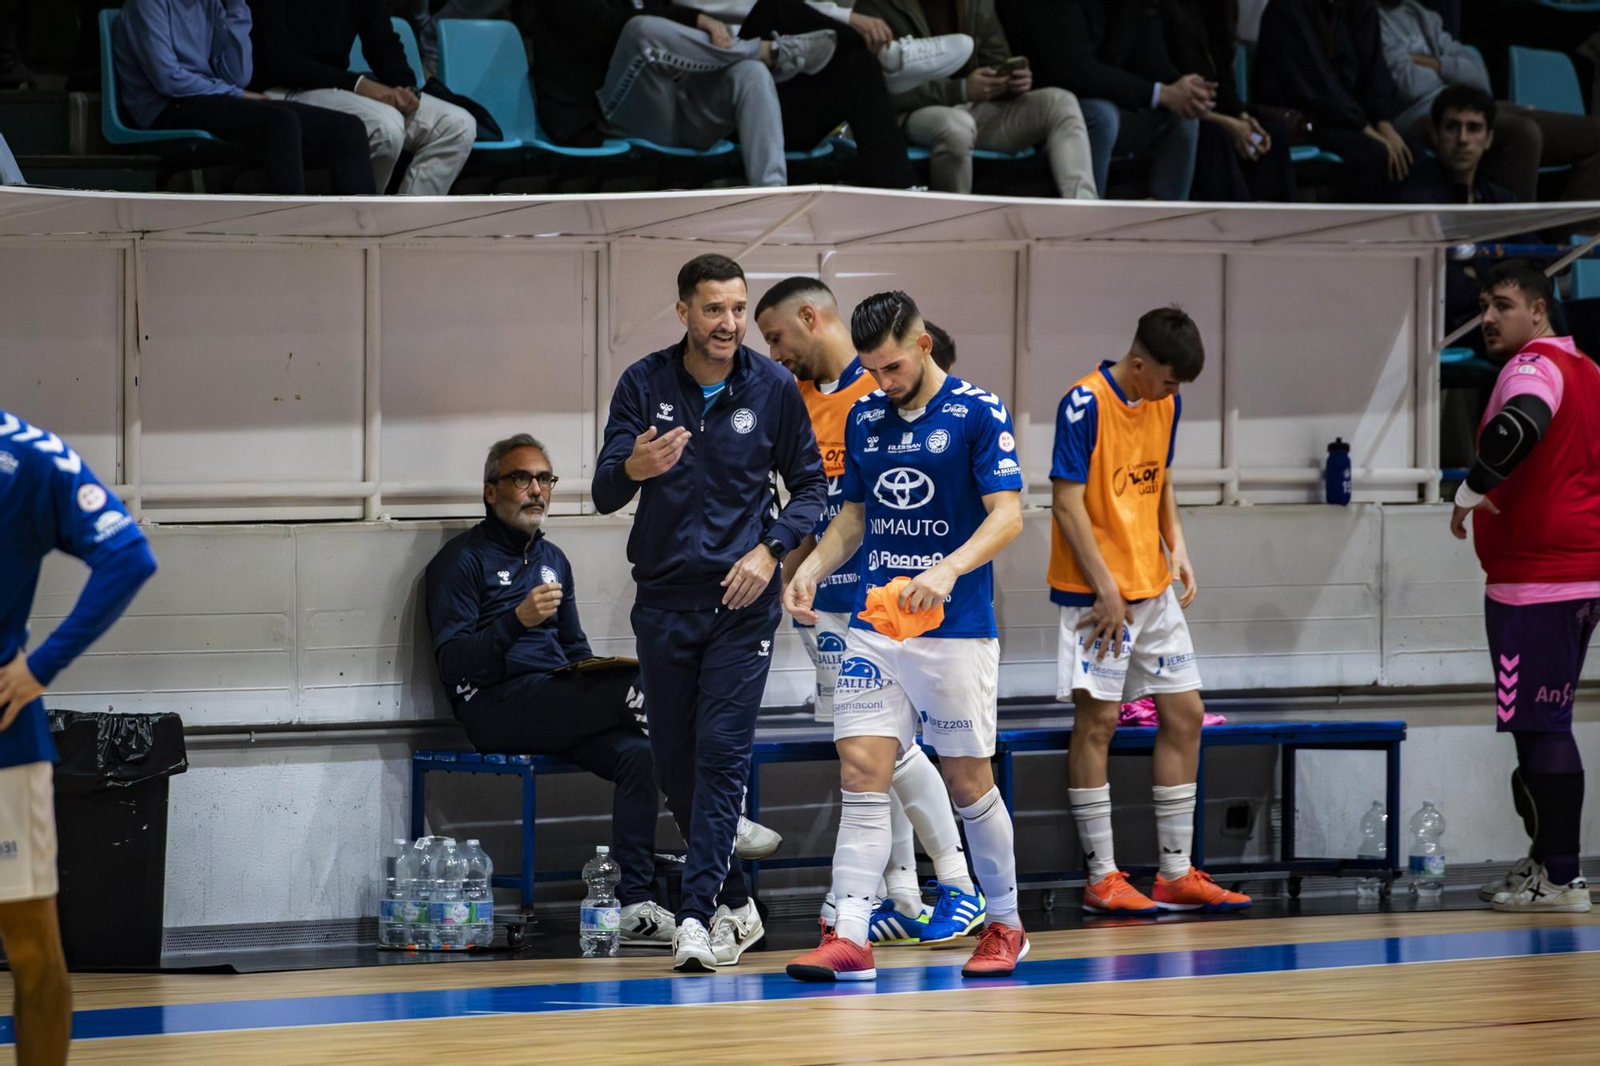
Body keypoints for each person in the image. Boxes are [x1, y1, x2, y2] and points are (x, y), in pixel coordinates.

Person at [425, 433, 778, 947]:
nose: (536, 490)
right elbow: (454, 662)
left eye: (544, 479)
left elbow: (574, 649)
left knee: (643, 755)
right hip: (495, 705)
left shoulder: (553, 559)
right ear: (490, 491)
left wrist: (597, 676)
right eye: (521, 479)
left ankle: (632, 904)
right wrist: (516, 621)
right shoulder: (461, 561)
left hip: (555, 702)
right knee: (647, 687)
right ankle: (725, 815)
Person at [784, 290, 1030, 982]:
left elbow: (1008, 515)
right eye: (871, 370)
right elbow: (853, 517)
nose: (881, 382)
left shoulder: (977, 411)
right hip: (875, 626)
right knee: (862, 771)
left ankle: (1005, 923)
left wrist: (948, 569)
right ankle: (851, 936)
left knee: (967, 781)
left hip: (955, 630)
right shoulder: (866, 414)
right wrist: (810, 569)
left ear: (923, 345)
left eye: (891, 368)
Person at [594, 254, 827, 972]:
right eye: (714, 309)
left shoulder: (773, 387)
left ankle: (695, 918)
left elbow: (813, 489)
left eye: (738, 308)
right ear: (684, 313)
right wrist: (633, 468)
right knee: (675, 765)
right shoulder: (643, 382)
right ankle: (736, 901)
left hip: (740, 605)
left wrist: (771, 551)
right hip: (664, 603)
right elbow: (603, 491)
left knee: (722, 756)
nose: (729, 323)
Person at [755, 279, 979, 947]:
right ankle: (900, 893)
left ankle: (953, 881)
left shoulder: (887, 390)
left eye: (775, 336)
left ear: (810, 316)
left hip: (886, 603)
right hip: (825, 601)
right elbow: (810, 505)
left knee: (892, 749)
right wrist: (796, 573)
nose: (773, 352)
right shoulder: (795, 399)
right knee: (871, 752)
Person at [1049, 308, 1251, 917]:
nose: (1172, 391)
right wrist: (1105, 586)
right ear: (1139, 364)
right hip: (1095, 595)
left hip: (1151, 586)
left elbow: (1159, 477)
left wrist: (1177, 545)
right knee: (1098, 724)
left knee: (1186, 714)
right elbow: (1065, 503)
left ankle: (1175, 873)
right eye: (1167, 379)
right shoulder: (1083, 404)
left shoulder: (1167, 403)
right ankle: (1102, 877)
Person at [1, 409, 160, 1065]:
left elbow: (127, 555)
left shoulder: (26, 456)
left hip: (5, 748)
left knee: (32, 948)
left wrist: (40, 666)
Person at [1450, 260, 1598, 914]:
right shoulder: (1588, 369)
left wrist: (1469, 489)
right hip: (1575, 574)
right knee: (1537, 723)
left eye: (1503, 305)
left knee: (1541, 726)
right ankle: (1545, 861)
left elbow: (1521, 424)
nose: (1488, 318)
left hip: (1539, 580)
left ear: (1539, 310)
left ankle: (1562, 878)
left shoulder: (1532, 366)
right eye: (1484, 305)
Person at [530, 0, 918, 189]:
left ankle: (772, 197)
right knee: (642, 31)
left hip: (679, 106)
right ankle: (770, 51)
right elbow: (605, 25)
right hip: (615, 113)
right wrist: (695, 19)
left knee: (750, 74)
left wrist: (693, 24)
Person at [113, 0, 375, 195]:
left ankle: (361, 234)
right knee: (280, 122)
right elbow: (168, 79)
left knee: (348, 128)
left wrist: (237, 7)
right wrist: (235, 94)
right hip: (165, 106)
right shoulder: (147, 4)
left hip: (209, 96)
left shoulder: (211, 5)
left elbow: (237, 75)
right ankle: (290, 233)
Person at [854, 0, 1097, 198]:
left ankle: (1083, 213)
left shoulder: (975, 3)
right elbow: (875, 88)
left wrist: (1009, 80)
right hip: (912, 112)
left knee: (1060, 102)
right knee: (956, 126)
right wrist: (960, 90)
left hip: (976, 106)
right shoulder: (876, 6)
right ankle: (953, 225)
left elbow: (995, 57)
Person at [1378, 0, 1600, 202]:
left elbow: (1478, 74)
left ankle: (1578, 230)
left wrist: (1431, 64)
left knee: (1594, 133)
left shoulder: (1419, 13)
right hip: (1421, 115)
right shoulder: (1372, 19)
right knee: (1524, 132)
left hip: (1472, 105)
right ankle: (1514, 230)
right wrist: (1453, 70)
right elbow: (1410, 84)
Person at [247, 0, 476, 195]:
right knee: (385, 128)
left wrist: (406, 88)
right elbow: (276, 59)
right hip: (282, 89)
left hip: (337, 87)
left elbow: (382, 42)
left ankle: (405, 225)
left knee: (457, 124)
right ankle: (361, 224)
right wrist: (358, 84)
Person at [997, 0, 1202, 201]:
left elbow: (1147, 58)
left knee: (1181, 118)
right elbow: (1073, 70)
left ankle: (1169, 218)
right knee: (1101, 116)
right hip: (1041, 115)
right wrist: (1158, 93)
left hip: (1107, 108)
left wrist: (1183, 91)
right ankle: (1089, 215)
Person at [1255, 0, 1422, 201]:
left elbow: (1375, 74)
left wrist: (1385, 127)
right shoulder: (1287, 8)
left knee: (1412, 155)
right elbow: (1317, 85)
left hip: (1351, 120)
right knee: (1376, 155)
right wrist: (1367, 129)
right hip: (1305, 121)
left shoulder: (1362, 8)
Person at [1159, 0, 1297, 202]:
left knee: (1271, 131)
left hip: (1212, 109)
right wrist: (1230, 124)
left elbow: (1224, 81)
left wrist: (1243, 116)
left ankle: (1280, 218)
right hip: (1176, 111)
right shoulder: (1162, 9)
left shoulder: (1215, 9)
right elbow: (1169, 90)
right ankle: (1237, 217)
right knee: (1217, 135)